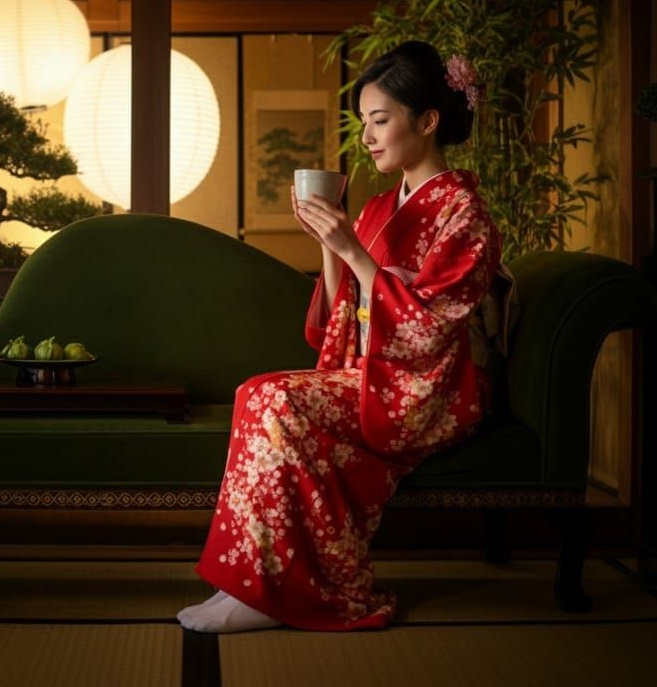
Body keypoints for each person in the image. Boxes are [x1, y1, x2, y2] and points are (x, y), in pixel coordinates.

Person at [177, 40, 502, 633]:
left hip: (429, 388)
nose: (369, 137)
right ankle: (253, 586)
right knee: (257, 393)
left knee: (274, 399)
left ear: (427, 121)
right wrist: (331, 247)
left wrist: (352, 250)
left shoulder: (465, 214)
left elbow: (428, 329)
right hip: (373, 371)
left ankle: (278, 593)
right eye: (365, 123)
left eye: (381, 121)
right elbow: (337, 319)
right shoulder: (379, 207)